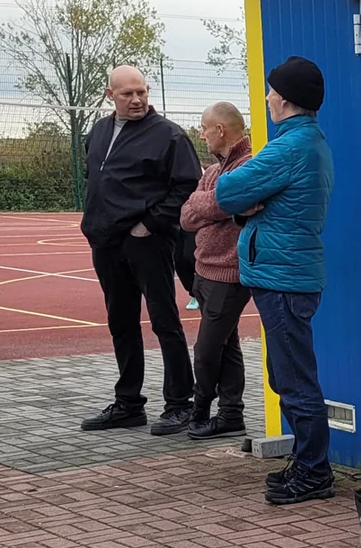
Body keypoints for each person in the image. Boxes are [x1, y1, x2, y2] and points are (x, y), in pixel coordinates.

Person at [215, 56, 334, 505]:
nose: (265, 98)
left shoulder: (289, 148)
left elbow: (227, 190)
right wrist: (246, 202)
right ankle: (307, 464)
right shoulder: (307, 141)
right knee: (285, 375)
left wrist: (243, 202)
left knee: (295, 379)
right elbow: (241, 196)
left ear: (283, 99)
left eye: (269, 91)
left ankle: (313, 472)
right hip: (286, 275)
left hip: (284, 279)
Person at [80, 65, 201, 436]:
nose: (136, 100)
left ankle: (180, 404)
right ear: (109, 95)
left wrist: (149, 224)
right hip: (106, 241)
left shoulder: (169, 136)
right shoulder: (98, 132)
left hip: (147, 241)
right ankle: (129, 404)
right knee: (121, 322)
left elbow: (187, 187)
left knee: (165, 321)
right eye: (127, 94)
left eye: (142, 92)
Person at [181, 102, 252, 442]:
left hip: (230, 273)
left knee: (207, 348)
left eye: (204, 127)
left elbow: (231, 203)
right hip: (204, 270)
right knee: (227, 344)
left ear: (220, 130)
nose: (201, 134)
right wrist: (213, 205)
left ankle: (201, 409)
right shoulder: (212, 171)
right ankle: (231, 414)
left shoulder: (249, 166)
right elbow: (186, 215)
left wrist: (208, 204)